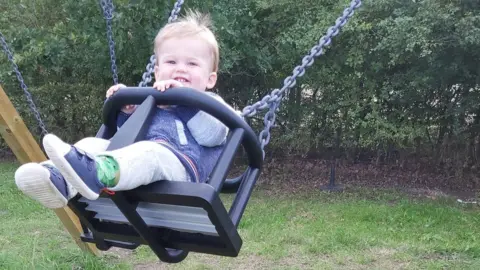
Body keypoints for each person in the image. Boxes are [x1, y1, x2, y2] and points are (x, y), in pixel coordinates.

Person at [15, 10, 230, 207]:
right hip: (139, 166)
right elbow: (128, 135)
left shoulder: (211, 103)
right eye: (171, 62)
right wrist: (127, 109)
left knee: (150, 153)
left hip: (181, 169)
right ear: (157, 72)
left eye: (192, 64)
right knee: (93, 143)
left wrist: (184, 101)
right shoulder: (152, 98)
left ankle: (99, 173)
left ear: (210, 79)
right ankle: (56, 180)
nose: (180, 69)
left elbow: (213, 135)